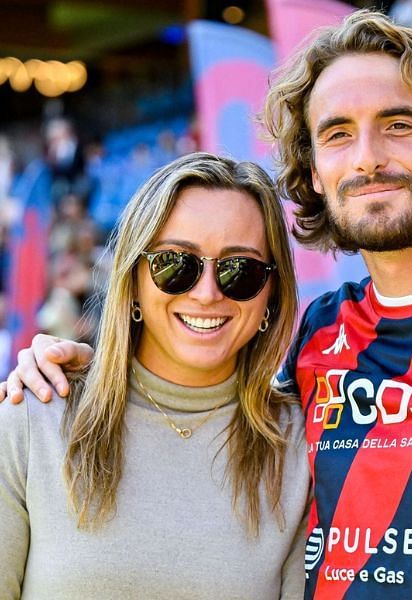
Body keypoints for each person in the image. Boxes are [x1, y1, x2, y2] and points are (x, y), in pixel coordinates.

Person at [5, 10, 412, 599]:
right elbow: (190, 383)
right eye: (339, 134)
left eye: (399, 125)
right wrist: (85, 366)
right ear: (315, 172)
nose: (369, 158)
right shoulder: (321, 332)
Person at [0, 152, 308, 598]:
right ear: (135, 280)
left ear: (270, 297)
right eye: (175, 265)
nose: (207, 294)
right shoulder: (34, 416)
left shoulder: (298, 445)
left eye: (239, 270)